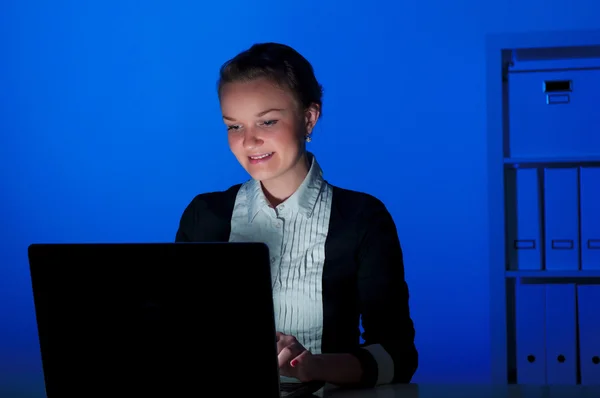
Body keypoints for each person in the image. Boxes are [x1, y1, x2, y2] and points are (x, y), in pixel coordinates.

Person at [175, 42, 418, 388]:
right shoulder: (204, 215)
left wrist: (315, 366)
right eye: (234, 126)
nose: (249, 141)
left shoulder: (362, 218)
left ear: (308, 118)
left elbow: (398, 358)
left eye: (267, 121)